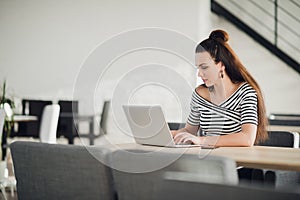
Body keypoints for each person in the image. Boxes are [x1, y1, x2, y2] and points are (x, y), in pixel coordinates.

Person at [172, 29, 268, 147]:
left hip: (237, 162)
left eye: (204, 67)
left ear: (221, 65)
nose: (199, 74)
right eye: (198, 68)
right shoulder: (199, 94)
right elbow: (189, 131)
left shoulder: (245, 93)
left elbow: (247, 139)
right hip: (209, 159)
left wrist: (202, 140)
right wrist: (164, 134)